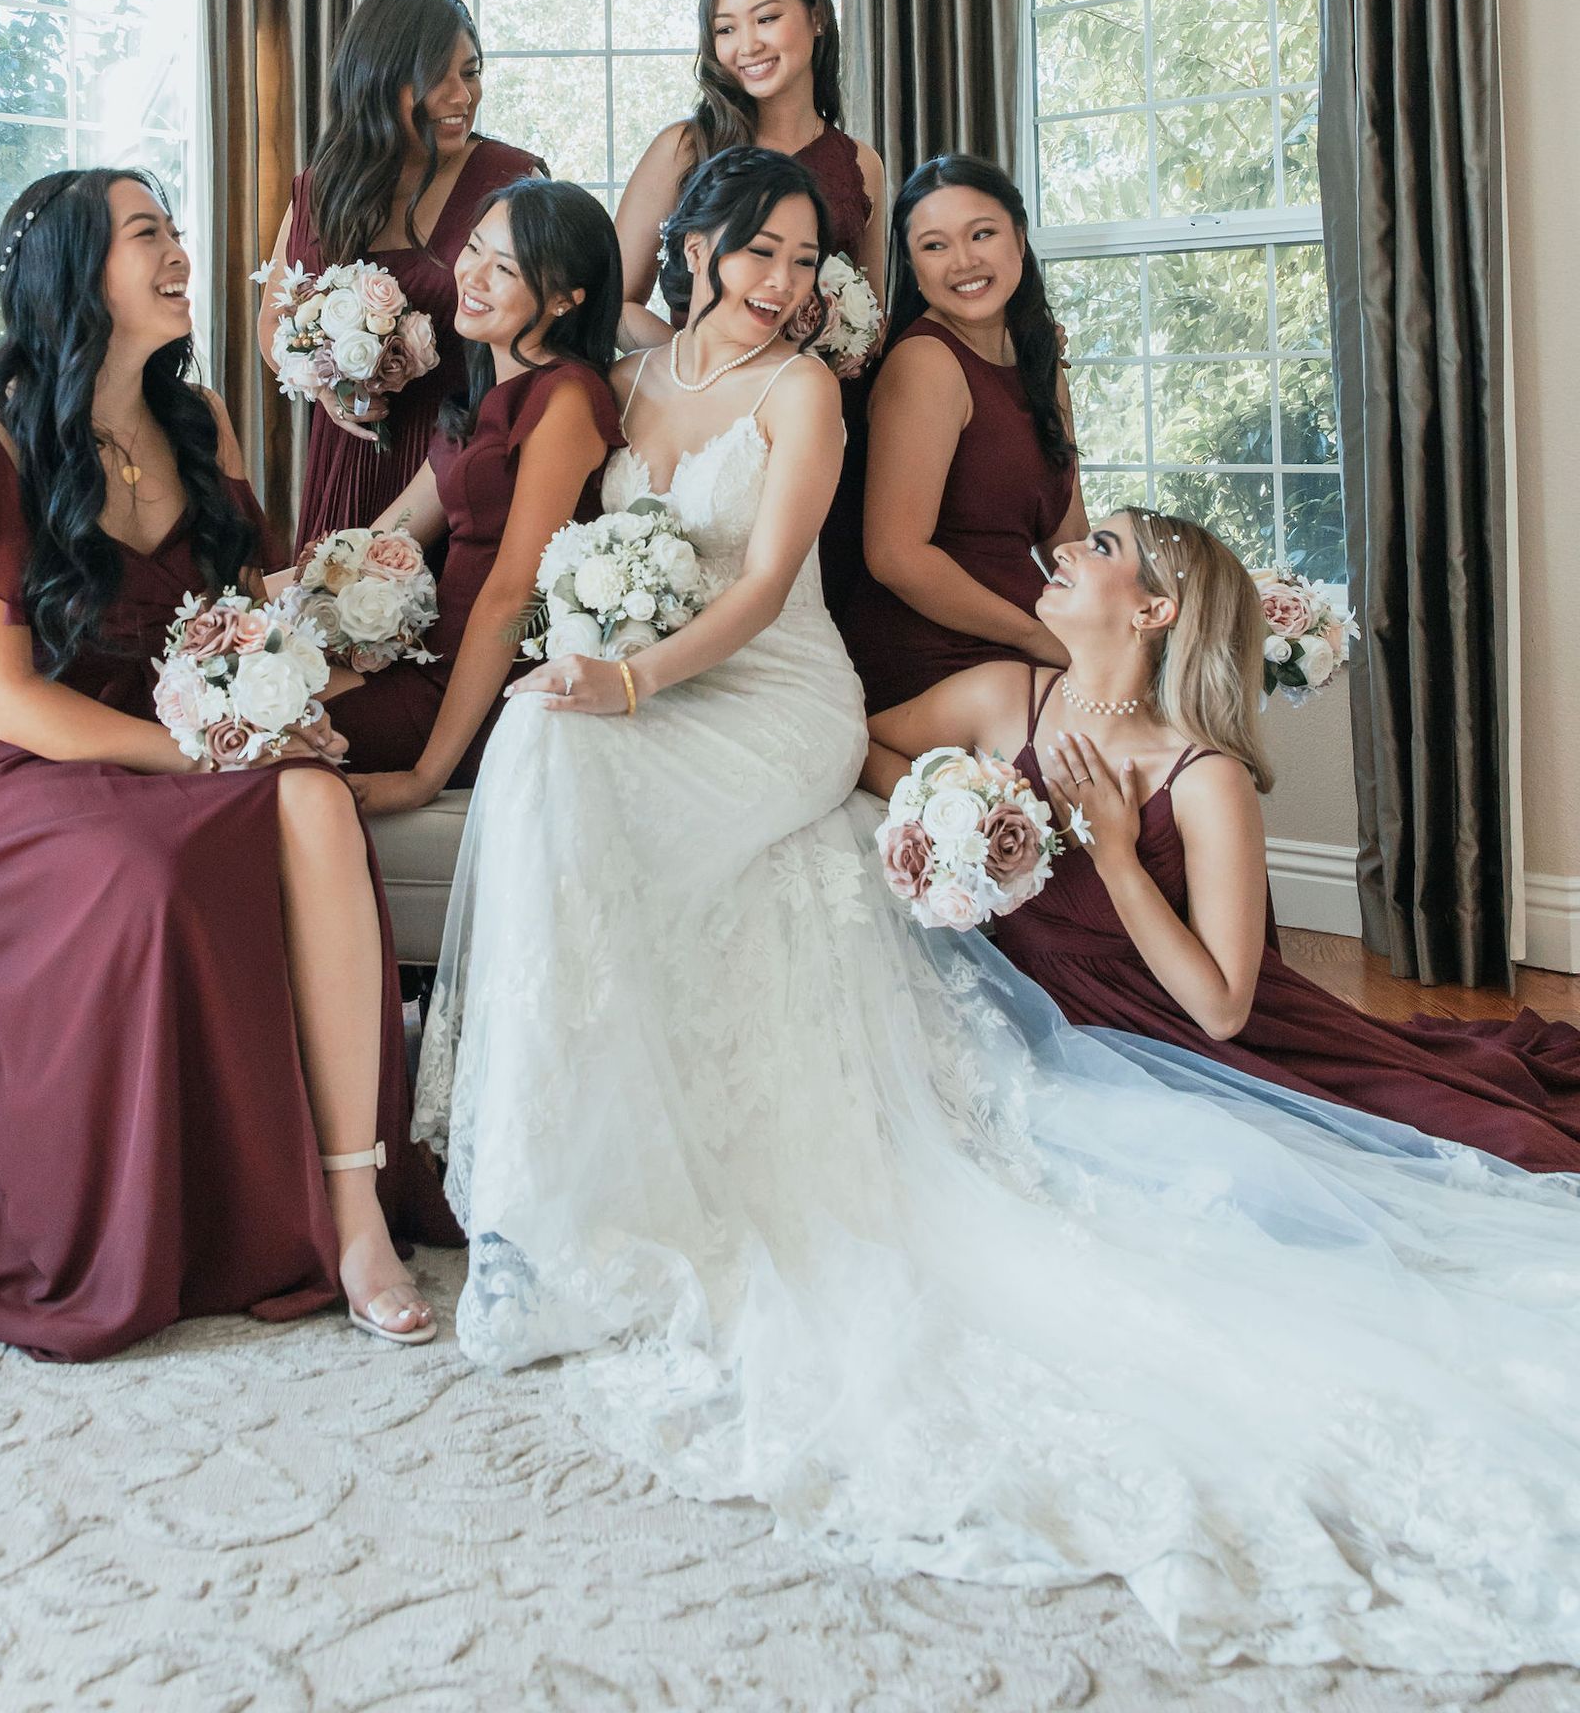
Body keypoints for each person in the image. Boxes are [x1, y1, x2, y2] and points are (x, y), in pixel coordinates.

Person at [416, 146, 1580, 1675]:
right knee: (539, 747)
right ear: (695, 249)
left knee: (562, 745)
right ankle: (542, 1190)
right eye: (755, 250)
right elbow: (559, 392)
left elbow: (771, 592)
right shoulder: (626, 387)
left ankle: (576, 1203)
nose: (779, 280)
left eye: (803, 256)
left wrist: (631, 674)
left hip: (770, 693)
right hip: (667, 694)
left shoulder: (819, 389)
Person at [0, 169, 453, 1362]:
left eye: (175, 229)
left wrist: (292, 709)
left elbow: (248, 620)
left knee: (316, 804)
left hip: (186, 741)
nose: (179, 252)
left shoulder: (201, 423)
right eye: (148, 233)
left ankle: (355, 1215)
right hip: (21, 778)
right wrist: (206, 751)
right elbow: (8, 702)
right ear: (73, 271)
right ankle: (149, 1219)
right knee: (147, 879)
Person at [866, 504, 1580, 1171]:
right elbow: (865, 747)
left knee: (1493, 1148)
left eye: (1101, 544)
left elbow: (1220, 1011)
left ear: (1153, 609)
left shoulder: (1204, 778)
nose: (1067, 547)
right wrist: (955, 823)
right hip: (1026, 1012)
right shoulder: (1001, 696)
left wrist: (1116, 856)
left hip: (1183, 1038)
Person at [324, 178, 622, 806]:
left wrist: (426, 775)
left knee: (256, 740)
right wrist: (239, 606)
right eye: (474, 249)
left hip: (474, 687)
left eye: (506, 268)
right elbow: (378, 540)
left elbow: (515, 590)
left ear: (567, 299)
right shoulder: (482, 395)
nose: (475, 276)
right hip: (423, 657)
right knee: (228, 701)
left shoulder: (565, 396)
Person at [612, 0, 884, 606]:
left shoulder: (862, 165)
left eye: (767, 18)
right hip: (700, 433)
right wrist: (711, 362)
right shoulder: (684, 147)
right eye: (726, 28)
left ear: (816, 16)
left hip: (820, 435)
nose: (747, 45)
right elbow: (612, 302)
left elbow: (877, 320)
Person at [260, 0, 541, 540]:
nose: (462, 96)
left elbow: (546, 339)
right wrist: (325, 387)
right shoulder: (320, 191)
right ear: (377, 79)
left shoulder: (511, 183)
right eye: (439, 77)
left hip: (462, 460)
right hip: (349, 460)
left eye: (472, 72)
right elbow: (273, 321)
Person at [841, 155, 1084, 714]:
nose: (964, 261)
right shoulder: (926, 362)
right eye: (934, 245)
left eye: (983, 233)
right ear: (911, 263)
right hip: (931, 658)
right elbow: (896, 556)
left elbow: (1067, 538)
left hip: (1023, 642)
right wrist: (1038, 639)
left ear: (1019, 239)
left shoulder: (1040, 359)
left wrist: (1115, 628)